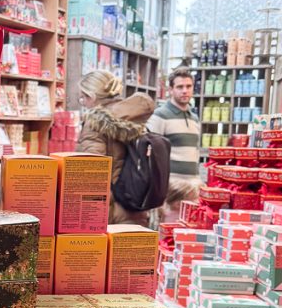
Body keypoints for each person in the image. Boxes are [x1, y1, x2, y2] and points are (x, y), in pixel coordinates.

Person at [75, 70, 156, 226]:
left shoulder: (95, 124)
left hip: (110, 210)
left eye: (83, 98)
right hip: (136, 202)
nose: (83, 102)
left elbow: (90, 171)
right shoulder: (133, 117)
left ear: (91, 97)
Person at [147, 67, 200, 223]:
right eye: (179, 87)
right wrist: (157, 192)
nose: (185, 91)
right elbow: (150, 154)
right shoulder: (160, 116)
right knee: (168, 238)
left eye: (188, 87)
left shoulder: (194, 118)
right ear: (170, 89)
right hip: (170, 191)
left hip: (192, 190)